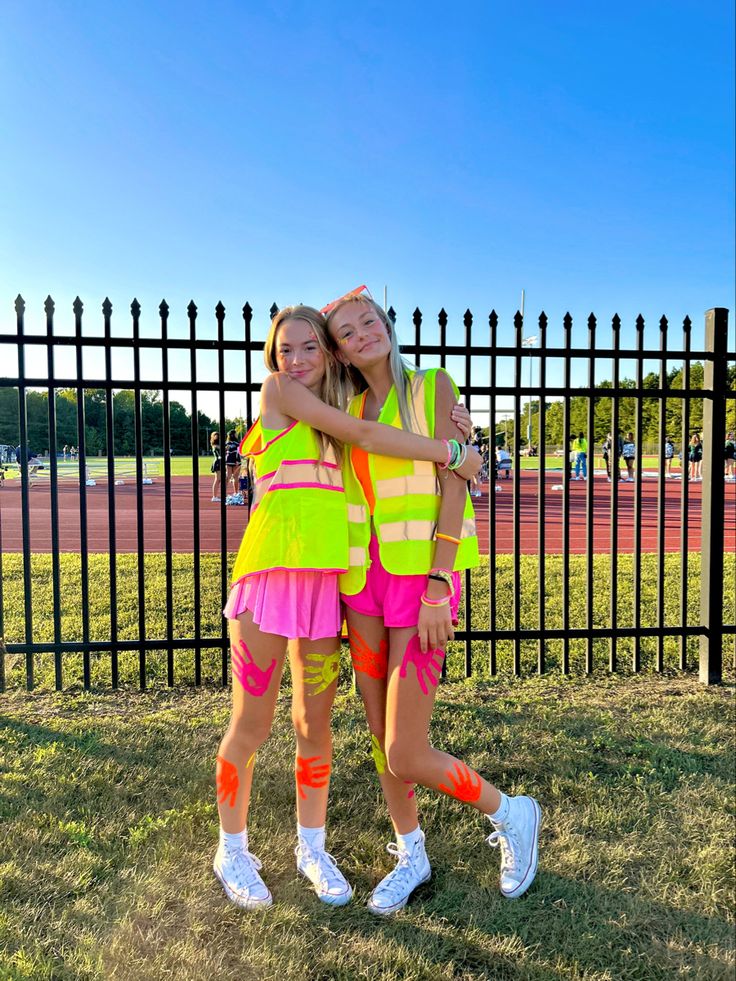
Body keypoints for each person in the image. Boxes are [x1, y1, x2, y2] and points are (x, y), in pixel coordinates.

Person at [213, 304, 479, 912]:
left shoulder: (341, 406)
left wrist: (460, 431)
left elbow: (373, 430)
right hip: (271, 576)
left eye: (312, 347)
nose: (299, 359)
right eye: (288, 349)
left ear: (328, 356)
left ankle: (312, 846)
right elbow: (366, 435)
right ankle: (232, 847)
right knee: (252, 724)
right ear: (273, 360)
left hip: (327, 586)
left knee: (315, 725)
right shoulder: (282, 392)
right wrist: (448, 449)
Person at [324, 288, 542, 916]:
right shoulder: (343, 406)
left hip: (422, 581)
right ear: (338, 350)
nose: (363, 332)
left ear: (386, 324)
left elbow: (456, 481)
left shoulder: (431, 387)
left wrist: (441, 582)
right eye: (348, 330)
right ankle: (410, 851)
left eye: (369, 320)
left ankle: (511, 812)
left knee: (405, 749)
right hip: (362, 582)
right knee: (378, 732)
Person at [224, 429, 242, 496]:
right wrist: (237, 460)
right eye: (236, 434)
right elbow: (238, 453)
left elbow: (226, 452)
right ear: (233, 435)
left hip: (228, 461)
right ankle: (236, 492)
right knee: (235, 477)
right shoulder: (237, 444)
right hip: (236, 461)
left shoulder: (226, 443)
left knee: (228, 477)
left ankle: (224, 492)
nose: (236, 435)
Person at [210, 432, 222, 501]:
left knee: (219, 479)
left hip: (221, 462)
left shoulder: (219, 444)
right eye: (215, 436)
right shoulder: (215, 445)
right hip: (217, 462)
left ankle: (215, 496)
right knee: (217, 479)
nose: (216, 437)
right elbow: (218, 452)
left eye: (217, 435)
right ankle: (214, 496)